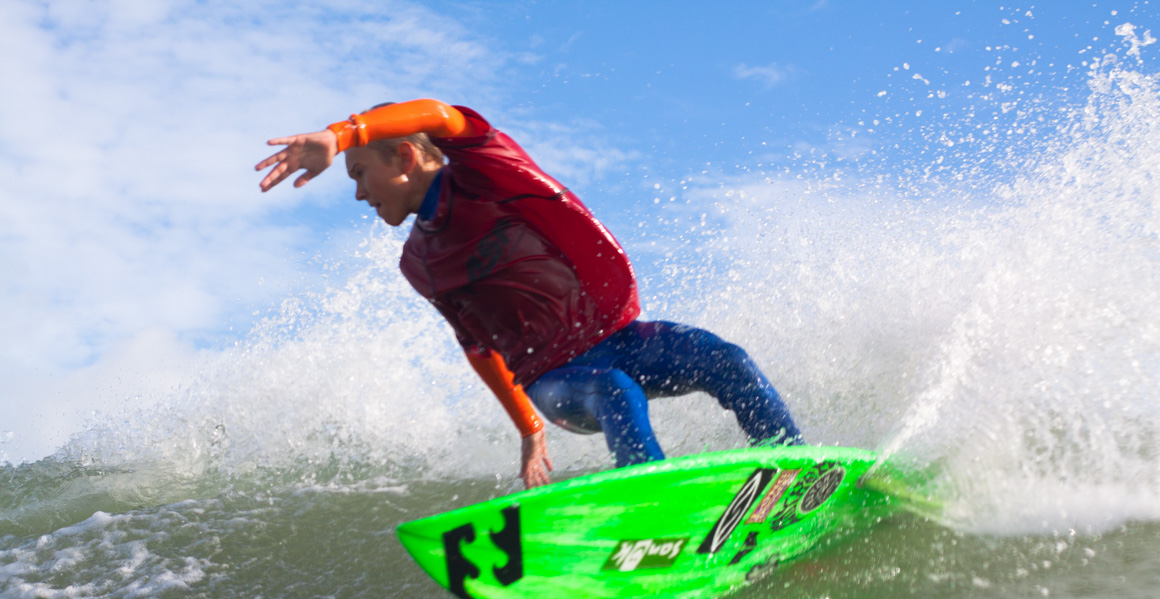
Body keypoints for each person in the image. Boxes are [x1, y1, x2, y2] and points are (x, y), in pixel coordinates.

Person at [256, 99, 802, 488]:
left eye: (359, 173)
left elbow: (440, 114)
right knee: (613, 389)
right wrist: (530, 429)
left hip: (620, 336)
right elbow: (478, 347)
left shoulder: (486, 170)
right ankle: (649, 503)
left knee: (725, 358)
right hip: (554, 378)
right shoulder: (418, 263)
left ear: (404, 160)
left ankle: (795, 474)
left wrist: (342, 133)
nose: (357, 193)